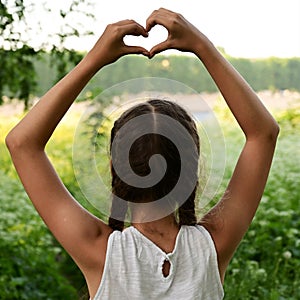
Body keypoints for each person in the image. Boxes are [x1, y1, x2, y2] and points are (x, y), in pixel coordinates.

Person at [6, 8, 279, 300]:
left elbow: (22, 143)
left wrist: (94, 59)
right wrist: (201, 46)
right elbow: (263, 134)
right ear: (190, 171)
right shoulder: (212, 245)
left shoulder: (99, 251)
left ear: (114, 168)